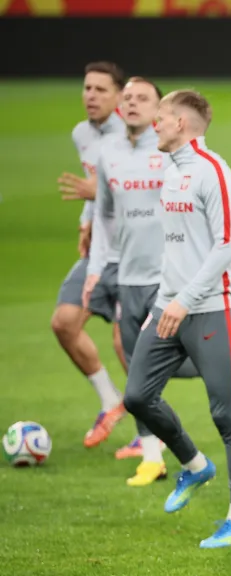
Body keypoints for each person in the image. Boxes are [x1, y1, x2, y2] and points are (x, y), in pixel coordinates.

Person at [122, 89, 231, 549]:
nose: (153, 124)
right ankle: (195, 465)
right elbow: (175, 248)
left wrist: (185, 300)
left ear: (180, 122)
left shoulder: (213, 171)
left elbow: (227, 245)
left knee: (225, 411)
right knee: (137, 395)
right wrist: (166, 300)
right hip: (169, 305)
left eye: (160, 117)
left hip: (213, 307)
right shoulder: (170, 172)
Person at [84, 76, 199, 482]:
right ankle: (152, 457)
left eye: (143, 98)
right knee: (137, 375)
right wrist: (96, 269)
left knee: (183, 360)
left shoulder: (173, 153)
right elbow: (104, 215)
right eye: (128, 98)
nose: (132, 104)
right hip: (128, 277)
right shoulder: (109, 154)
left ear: (159, 110)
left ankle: (214, 364)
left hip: (169, 279)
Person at [53, 61, 129, 448]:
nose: (91, 96)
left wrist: (96, 193)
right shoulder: (81, 133)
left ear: (119, 97)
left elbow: (138, 193)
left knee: (125, 344)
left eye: (101, 89)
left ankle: (153, 434)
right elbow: (93, 189)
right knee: (64, 322)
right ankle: (110, 399)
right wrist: (87, 221)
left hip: (133, 254)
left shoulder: (134, 136)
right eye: (87, 88)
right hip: (99, 251)